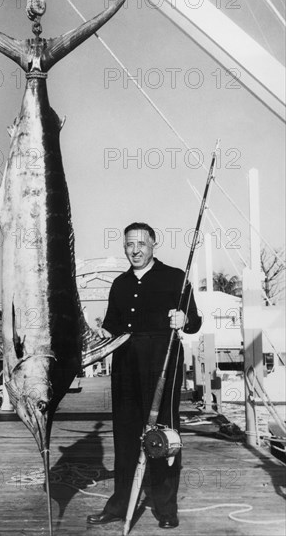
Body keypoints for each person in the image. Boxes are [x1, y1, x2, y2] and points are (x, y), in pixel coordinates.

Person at [87, 222, 202, 529]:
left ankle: (166, 507)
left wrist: (184, 318)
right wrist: (99, 333)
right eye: (128, 245)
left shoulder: (175, 277)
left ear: (153, 244)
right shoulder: (120, 284)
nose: (134, 250)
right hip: (124, 363)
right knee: (125, 436)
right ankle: (119, 504)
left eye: (140, 244)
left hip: (162, 362)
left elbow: (194, 323)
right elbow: (111, 325)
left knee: (164, 436)